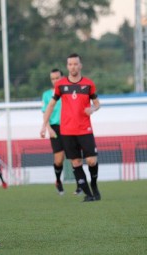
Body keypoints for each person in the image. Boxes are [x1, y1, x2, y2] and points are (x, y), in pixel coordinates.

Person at [40, 53, 101, 202]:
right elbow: (51, 105)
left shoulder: (88, 84)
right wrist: (44, 125)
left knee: (92, 161)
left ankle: (93, 185)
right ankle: (88, 194)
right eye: (70, 64)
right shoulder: (61, 86)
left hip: (85, 129)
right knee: (76, 162)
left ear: (80, 65)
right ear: (67, 66)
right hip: (67, 131)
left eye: (75, 64)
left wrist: (92, 109)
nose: (73, 66)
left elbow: (97, 103)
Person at [41, 68, 82, 196]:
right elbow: (45, 113)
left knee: (73, 158)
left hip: (70, 126)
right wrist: (48, 128)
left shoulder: (69, 92)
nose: (55, 81)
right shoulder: (47, 95)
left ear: (63, 78)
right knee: (59, 159)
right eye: (52, 79)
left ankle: (80, 185)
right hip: (55, 128)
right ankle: (58, 181)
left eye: (57, 78)